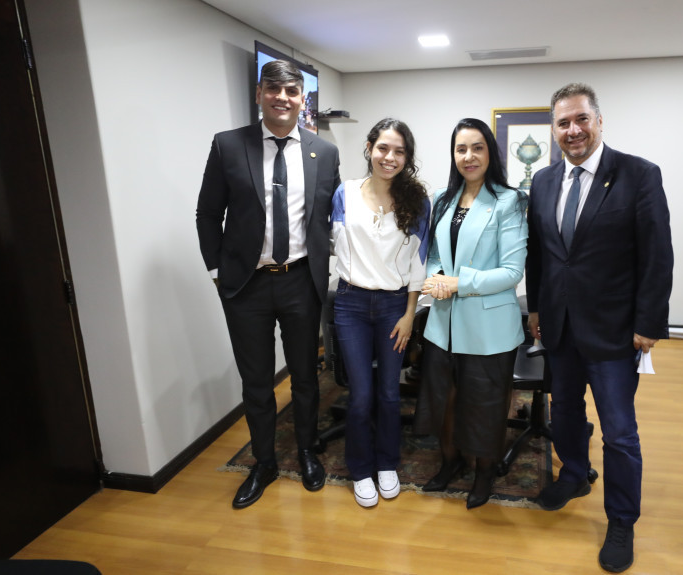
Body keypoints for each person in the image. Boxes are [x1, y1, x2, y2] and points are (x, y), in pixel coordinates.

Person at [526, 82, 673, 572]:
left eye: (581, 119)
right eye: (563, 122)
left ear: (599, 121)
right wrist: (536, 312)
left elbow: (657, 255)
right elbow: (540, 256)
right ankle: (573, 474)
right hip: (560, 328)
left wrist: (648, 323)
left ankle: (621, 520)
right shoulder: (544, 182)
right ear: (554, 129)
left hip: (614, 331)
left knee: (619, 433)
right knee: (564, 411)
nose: (573, 130)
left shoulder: (637, 175)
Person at [196, 59, 341, 508]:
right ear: (259, 93)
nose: (282, 97)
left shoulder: (325, 152)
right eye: (273, 89)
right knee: (256, 381)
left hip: (302, 281)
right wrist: (219, 272)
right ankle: (263, 462)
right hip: (246, 286)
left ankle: (305, 451)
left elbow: (329, 220)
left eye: (292, 91)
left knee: (305, 378)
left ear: (303, 100)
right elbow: (207, 213)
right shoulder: (227, 146)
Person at [415, 118, 528, 510]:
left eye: (477, 147)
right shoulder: (443, 199)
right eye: (461, 149)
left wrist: (459, 282)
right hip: (443, 323)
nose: (469, 156)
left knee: (484, 405)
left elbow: (512, 272)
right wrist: (435, 279)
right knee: (445, 401)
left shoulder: (508, 201)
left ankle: (483, 471)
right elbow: (431, 257)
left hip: (489, 327)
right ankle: (451, 462)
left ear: (490, 153)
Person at [329, 118, 430, 508]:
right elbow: (336, 244)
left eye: (399, 151)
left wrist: (409, 314)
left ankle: (387, 464)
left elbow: (418, 263)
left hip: (393, 306)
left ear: (407, 157)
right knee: (360, 395)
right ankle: (360, 469)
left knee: (389, 393)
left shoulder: (417, 200)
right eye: (384, 148)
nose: (390, 157)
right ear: (370, 147)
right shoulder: (345, 193)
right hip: (351, 303)